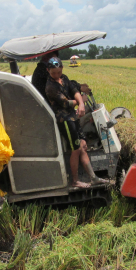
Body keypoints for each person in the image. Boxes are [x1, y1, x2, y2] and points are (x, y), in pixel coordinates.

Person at [45, 57, 107, 188]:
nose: (56, 75)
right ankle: (75, 181)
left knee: (83, 145)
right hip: (65, 120)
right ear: (48, 71)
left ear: (62, 68)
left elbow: (75, 91)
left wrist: (81, 104)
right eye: (53, 73)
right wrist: (80, 102)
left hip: (73, 117)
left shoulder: (64, 78)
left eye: (58, 72)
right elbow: (65, 103)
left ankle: (93, 177)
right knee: (76, 149)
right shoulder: (50, 86)